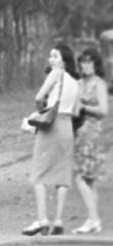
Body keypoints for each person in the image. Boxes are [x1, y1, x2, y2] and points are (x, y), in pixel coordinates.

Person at [23, 44, 81, 236]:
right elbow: (76, 111)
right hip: (67, 127)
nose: (51, 60)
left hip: (51, 126)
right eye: (51, 56)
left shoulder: (56, 73)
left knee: (39, 173)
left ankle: (42, 220)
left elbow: (38, 97)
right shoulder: (75, 82)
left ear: (63, 61)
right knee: (62, 176)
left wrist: (42, 108)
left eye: (55, 56)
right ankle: (58, 221)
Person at [72, 47, 109, 234]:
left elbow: (103, 110)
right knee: (88, 179)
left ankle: (92, 218)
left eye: (89, 62)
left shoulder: (98, 84)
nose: (86, 65)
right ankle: (94, 220)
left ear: (95, 64)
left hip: (92, 133)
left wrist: (84, 107)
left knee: (80, 177)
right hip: (78, 132)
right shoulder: (77, 84)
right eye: (83, 62)